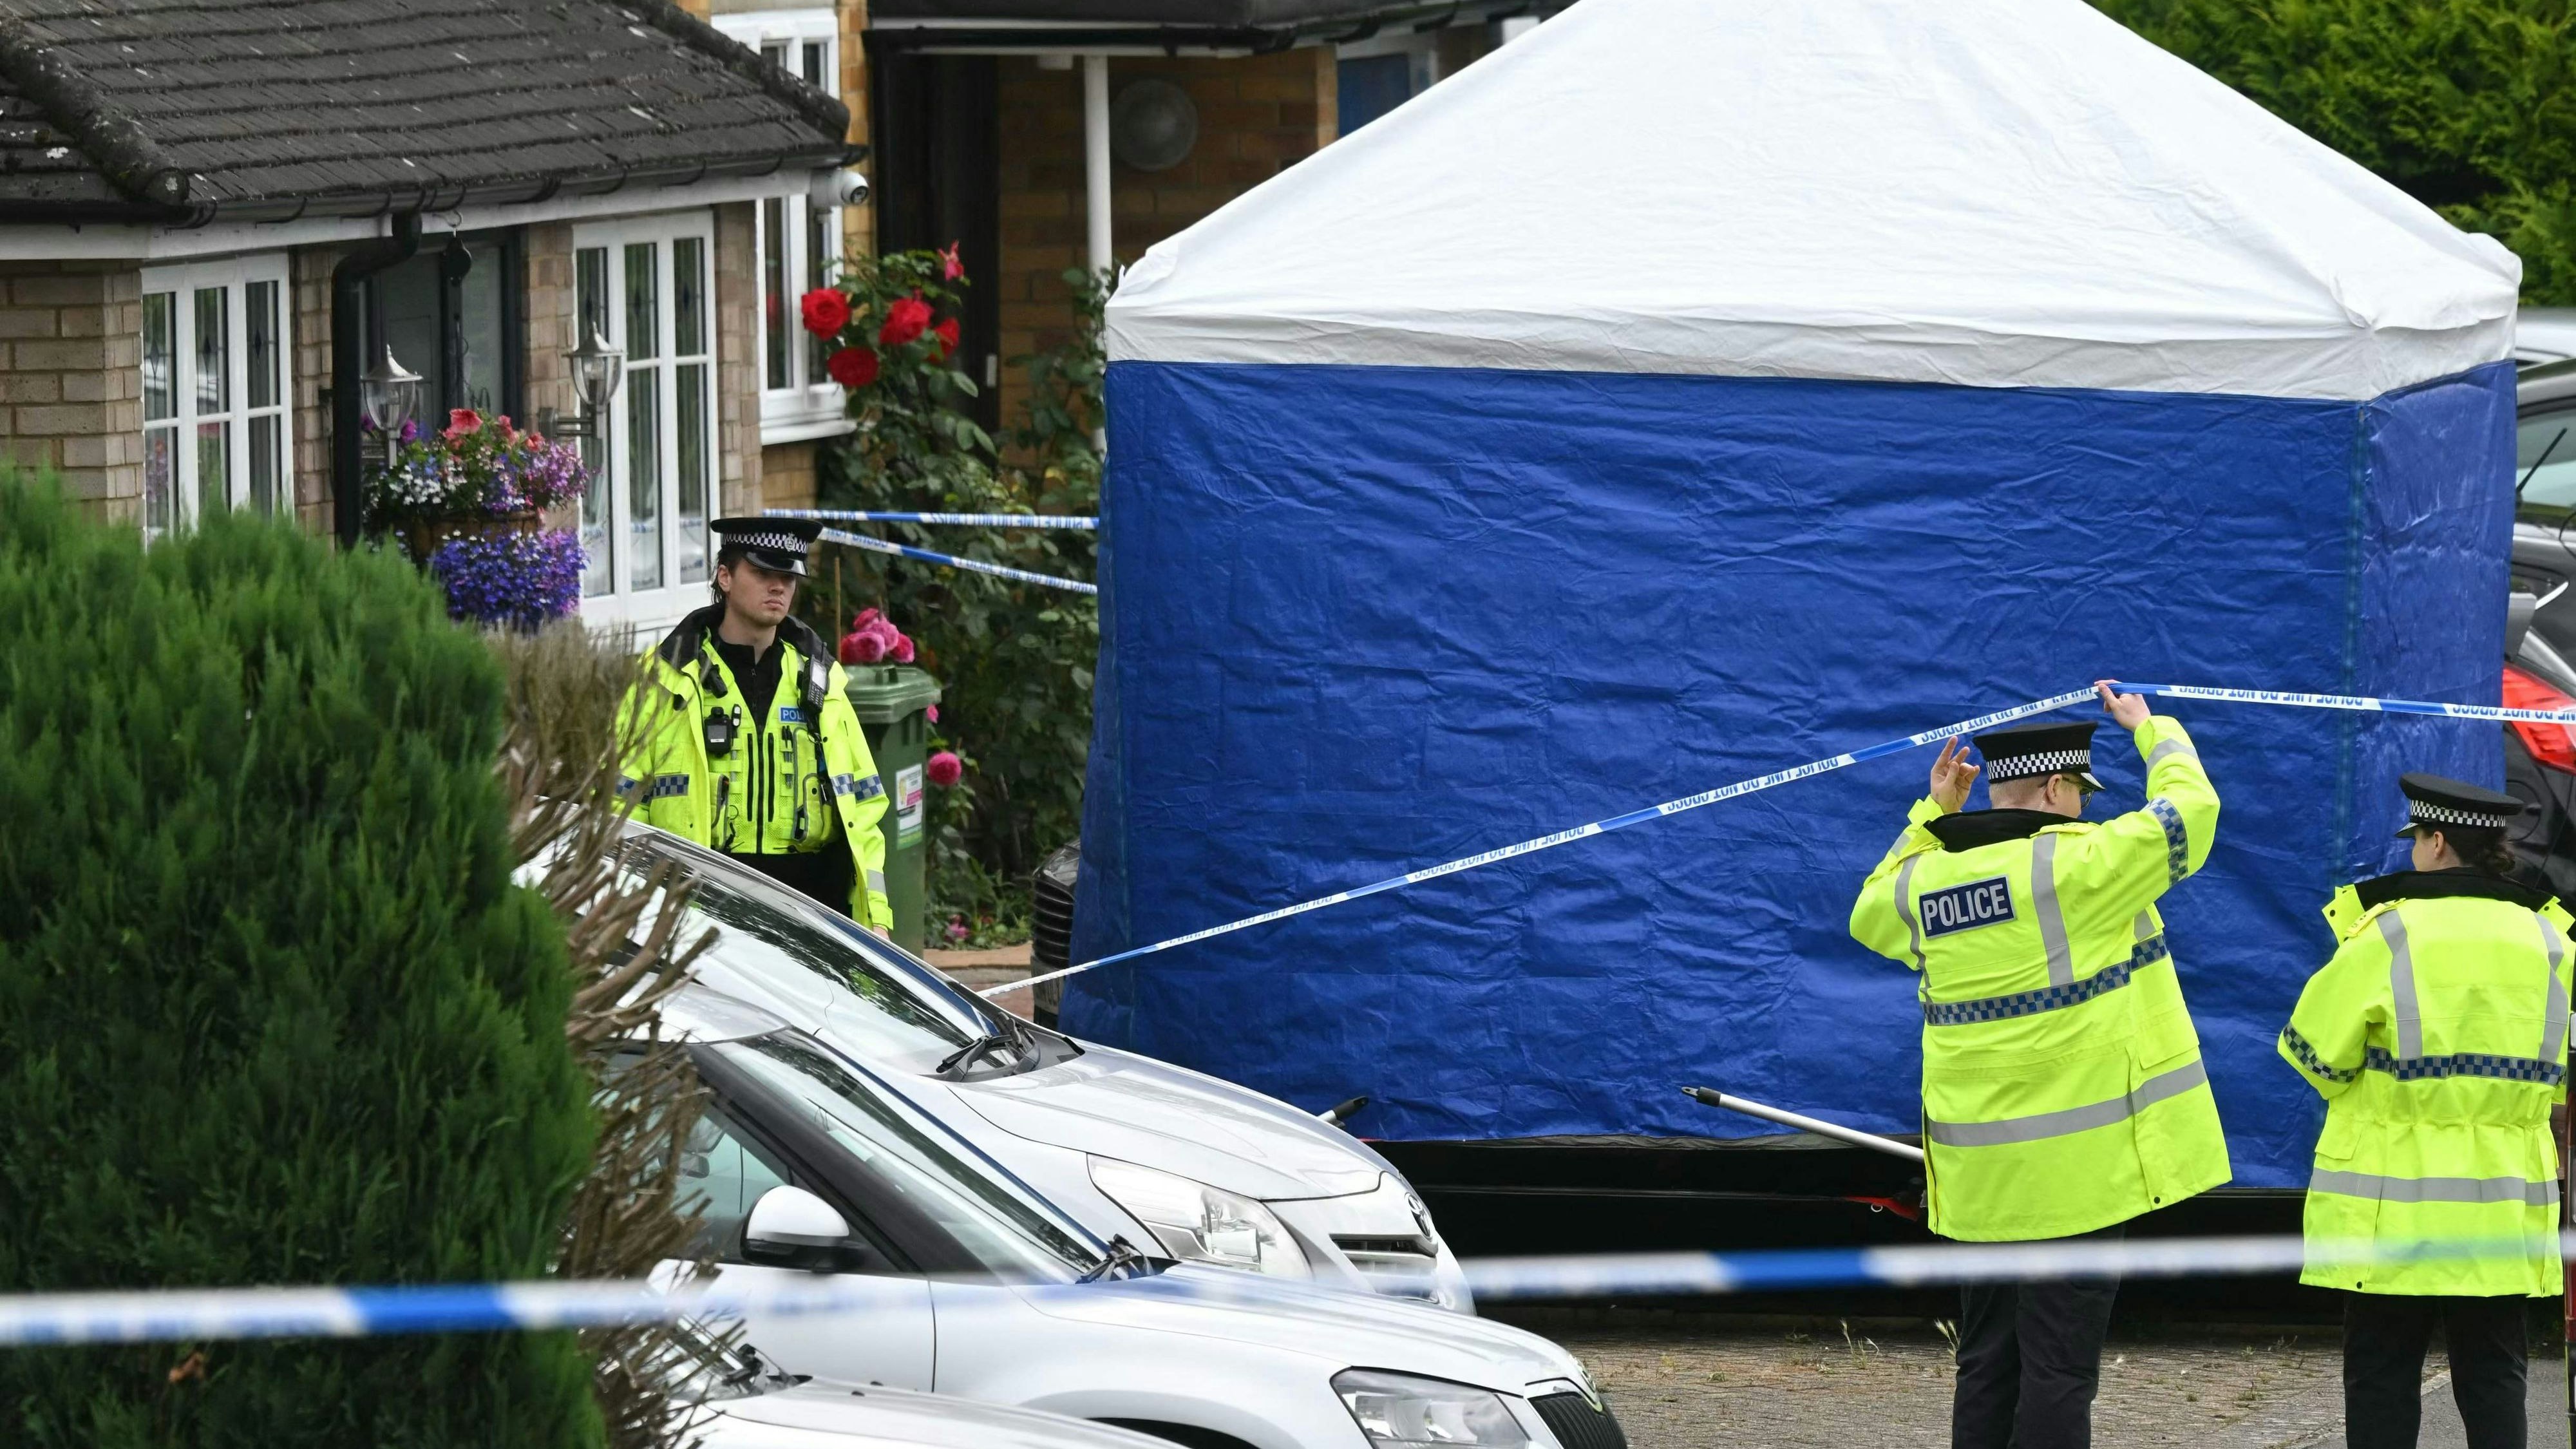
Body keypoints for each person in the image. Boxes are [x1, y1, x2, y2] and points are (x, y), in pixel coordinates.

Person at [1850, 681, 2230, 1449]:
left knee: (1987, 1360)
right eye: (2079, 793)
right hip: (2078, 1180)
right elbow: (2191, 812)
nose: (2086, 807)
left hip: (1981, 1178)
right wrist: (2153, 730)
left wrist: (1934, 814)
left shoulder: (1928, 881)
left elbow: (1866, 912)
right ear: (2057, 787)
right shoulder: (2083, 865)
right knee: (2059, 1372)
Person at [2278, 774, 2570, 1449]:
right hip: (2501, 1198)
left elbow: (2311, 1054)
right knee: (2495, 1373)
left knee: (2382, 1372)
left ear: (2437, 842)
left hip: (2390, 1202)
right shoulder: (2553, 942)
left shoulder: (2386, 935)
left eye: (2416, 840)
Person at [618, 517, 895, 936]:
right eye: (763, 573)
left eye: (788, 576)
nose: (778, 587)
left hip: (815, 909)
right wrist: (633, 907)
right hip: (701, 901)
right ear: (725, 577)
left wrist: (876, 918)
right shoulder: (666, 680)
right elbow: (621, 804)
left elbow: (864, 810)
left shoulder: (823, 685)